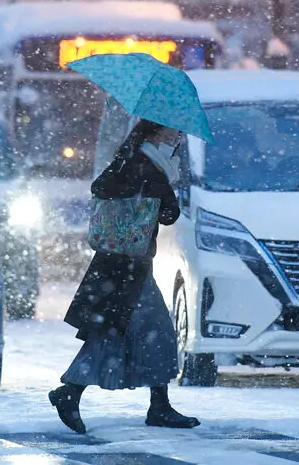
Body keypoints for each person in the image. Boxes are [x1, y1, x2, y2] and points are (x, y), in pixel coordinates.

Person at [49, 119, 200, 434]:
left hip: (116, 263)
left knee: (122, 332)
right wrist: (162, 185)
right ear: (157, 132)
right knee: (146, 332)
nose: (177, 136)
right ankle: (72, 392)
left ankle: (154, 403)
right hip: (130, 267)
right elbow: (169, 214)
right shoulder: (150, 165)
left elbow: (100, 189)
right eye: (173, 131)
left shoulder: (127, 159)